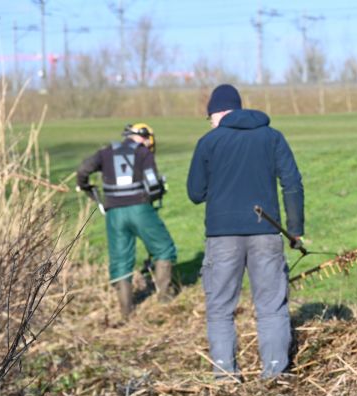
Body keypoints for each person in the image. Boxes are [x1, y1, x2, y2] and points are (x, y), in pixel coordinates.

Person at [187, 84, 304, 380]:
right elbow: (292, 183)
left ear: (217, 114)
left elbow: (195, 193)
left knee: (220, 309)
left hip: (221, 236)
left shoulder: (209, 142)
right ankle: (275, 374)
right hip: (266, 232)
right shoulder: (272, 137)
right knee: (272, 306)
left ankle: (225, 377)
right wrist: (295, 229)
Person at [77, 123, 177, 319]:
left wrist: (86, 187)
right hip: (139, 208)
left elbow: (83, 170)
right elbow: (153, 183)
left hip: (114, 212)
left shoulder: (106, 151)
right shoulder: (143, 153)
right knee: (163, 247)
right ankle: (164, 298)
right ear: (144, 137)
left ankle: (125, 312)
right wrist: (157, 193)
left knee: (120, 259)